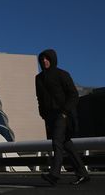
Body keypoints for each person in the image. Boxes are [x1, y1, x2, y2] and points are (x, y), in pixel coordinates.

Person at [36, 49, 90, 186]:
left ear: (52, 59)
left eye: (47, 59)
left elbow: (74, 95)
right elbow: (39, 98)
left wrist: (65, 111)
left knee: (56, 142)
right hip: (49, 116)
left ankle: (54, 174)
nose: (44, 61)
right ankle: (83, 174)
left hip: (62, 114)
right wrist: (43, 114)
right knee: (67, 145)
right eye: (42, 59)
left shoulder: (62, 74)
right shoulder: (38, 78)